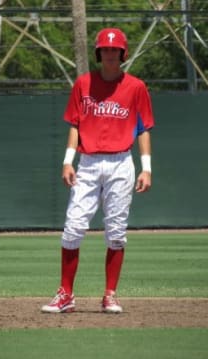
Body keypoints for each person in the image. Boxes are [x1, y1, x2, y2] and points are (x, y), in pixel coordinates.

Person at [41, 27, 155, 314]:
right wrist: (67, 161)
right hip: (88, 163)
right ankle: (65, 294)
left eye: (114, 50)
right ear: (98, 53)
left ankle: (110, 295)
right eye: (105, 49)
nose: (110, 53)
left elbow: (143, 130)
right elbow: (75, 125)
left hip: (121, 162)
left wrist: (147, 169)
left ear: (123, 53)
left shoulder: (136, 87)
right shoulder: (83, 84)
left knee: (116, 233)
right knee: (73, 228)